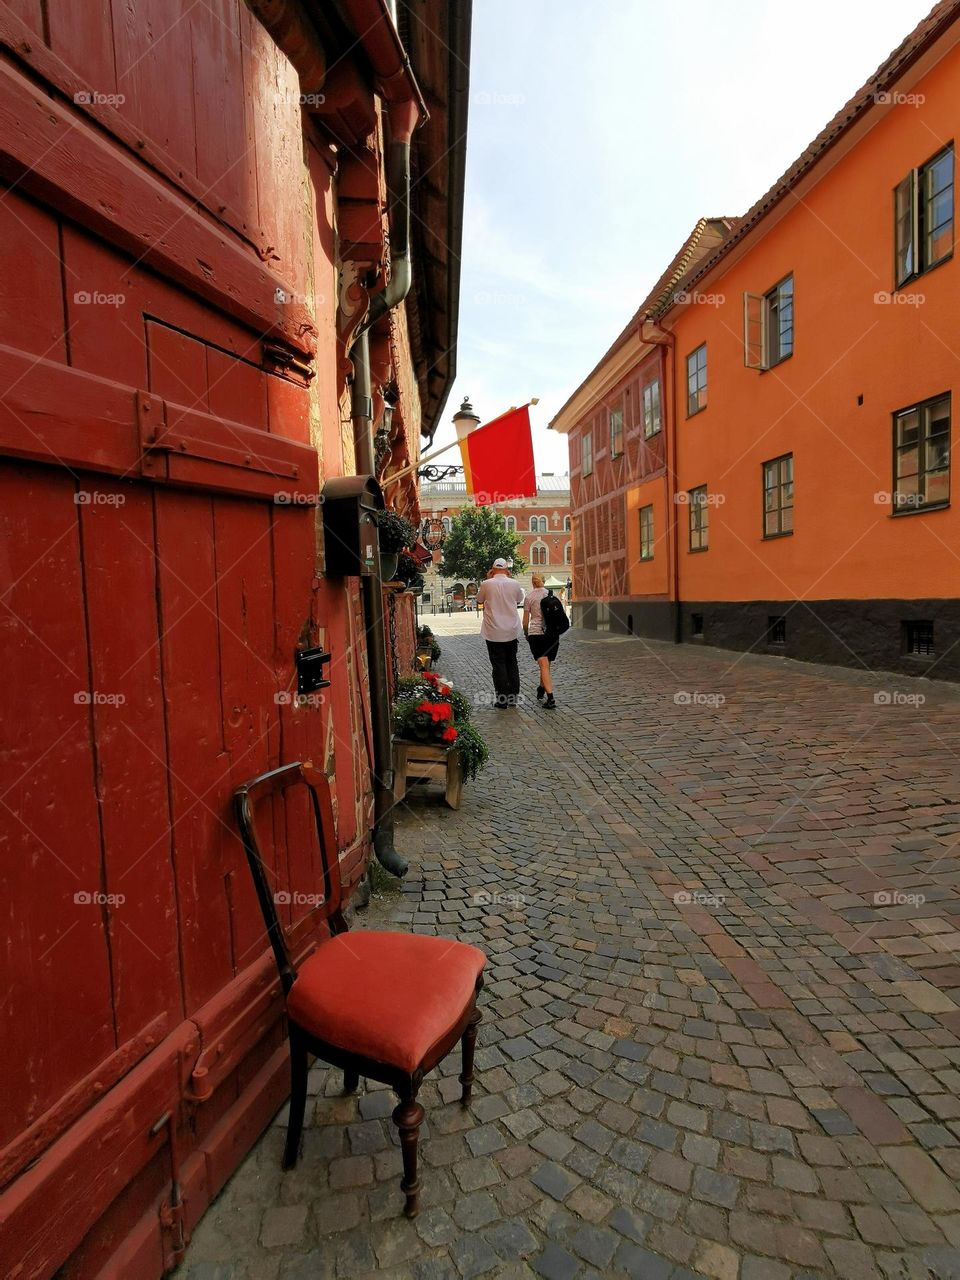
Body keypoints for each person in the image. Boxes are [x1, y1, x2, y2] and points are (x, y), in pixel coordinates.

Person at [475, 558, 525, 709]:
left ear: (492, 569)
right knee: (512, 663)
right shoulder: (515, 583)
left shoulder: (486, 584)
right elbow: (519, 599)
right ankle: (513, 698)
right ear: (506, 569)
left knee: (498, 665)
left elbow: (479, 600)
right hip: (511, 630)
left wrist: (488, 579)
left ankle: (502, 700)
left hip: (493, 631)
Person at [523, 574, 558, 710]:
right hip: (551, 634)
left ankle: (550, 698)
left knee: (543, 664)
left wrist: (526, 633)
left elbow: (525, 622)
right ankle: (541, 688)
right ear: (544, 582)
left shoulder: (529, 597)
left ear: (532, 583)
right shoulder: (551, 594)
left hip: (536, 634)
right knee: (546, 664)